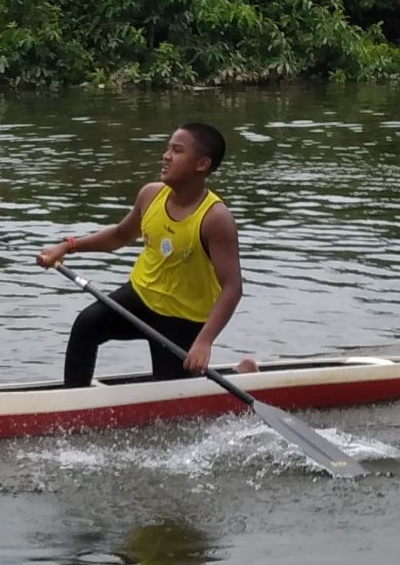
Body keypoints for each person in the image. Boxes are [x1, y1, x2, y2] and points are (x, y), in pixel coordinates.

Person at [38, 122, 250, 387]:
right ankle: (72, 403)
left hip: (181, 318)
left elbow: (232, 287)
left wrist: (204, 341)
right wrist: (67, 246)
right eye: (167, 148)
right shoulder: (151, 195)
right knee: (86, 326)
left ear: (202, 164)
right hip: (139, 297)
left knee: (173, 394)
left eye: (177, 150)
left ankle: (242, 375)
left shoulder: (215, 219)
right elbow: (119, 235)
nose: (166, 155)